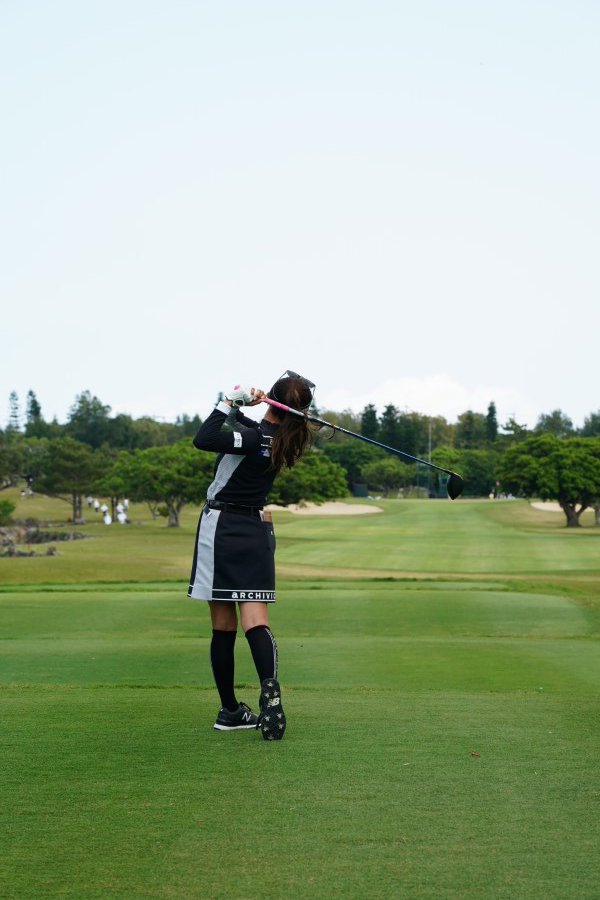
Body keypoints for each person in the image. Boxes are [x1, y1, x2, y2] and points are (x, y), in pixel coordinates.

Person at [188, 371, 316, 741]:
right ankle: (269, 687)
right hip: (257, 530)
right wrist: (247, 408)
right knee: (256, 620)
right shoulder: (282, 439)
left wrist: (230, 399)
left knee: (223, 626)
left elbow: (205, 437)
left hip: (222, 527)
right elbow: (248, 432)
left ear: (275, 400)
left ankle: (230, 711)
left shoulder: (253, 437)